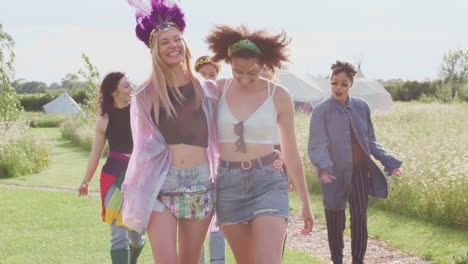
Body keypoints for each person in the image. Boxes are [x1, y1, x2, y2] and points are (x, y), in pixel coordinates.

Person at [206, 24, 314, 264]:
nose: (244, 78)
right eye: (237, 71)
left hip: (267, 183)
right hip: (228, 185)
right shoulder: (218, 90)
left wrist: (306, 204)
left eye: (252, 72)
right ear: (229, 64)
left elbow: (291, 152)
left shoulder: (279, 95)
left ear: (264, 64)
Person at [122, 1, 220, 263]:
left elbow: (231, 133)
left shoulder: (208, 90)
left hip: (201, 184)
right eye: (164, 42)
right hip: (161, 183)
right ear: (155, 50)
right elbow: (143, 148)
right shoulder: (146, 95)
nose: (173, 45)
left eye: (177, 39)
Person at [307, 61, 403, 264]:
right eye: (335, 83)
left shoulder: (361, 107)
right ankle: (337, 261)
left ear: (351, 84)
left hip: (360, 172)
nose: (338, 88)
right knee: (335, 222)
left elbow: (371, 141)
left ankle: (358, 260)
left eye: (344, 84)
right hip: (333, 174)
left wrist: (390, 163)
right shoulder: (321, 111)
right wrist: (323, 168)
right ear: (330, 83)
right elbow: (318, 144)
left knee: (359, 219)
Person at [77, 72, 145, 264]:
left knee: (135, 234)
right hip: (113, 177)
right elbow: (95, 154)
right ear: (114, 91)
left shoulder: (141, 112)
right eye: (125, 85)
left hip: (139, 177)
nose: (131, 87)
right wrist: (85, 181)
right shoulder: (104, 120)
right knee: (118, 234)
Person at [195, 56, 227, 264]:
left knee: (219, 219)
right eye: (203, 75)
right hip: (196, 166)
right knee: (196, 220)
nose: (208, 79)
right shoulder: (191, 101)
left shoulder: (223, 99)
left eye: (212, 75)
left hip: (220, 165)